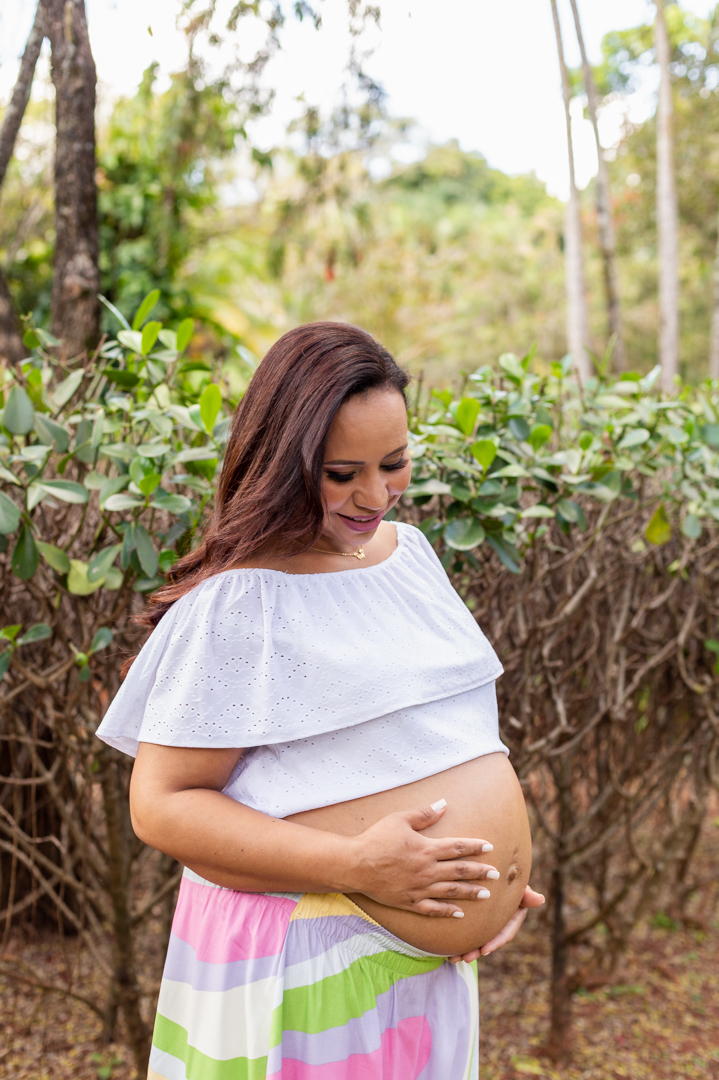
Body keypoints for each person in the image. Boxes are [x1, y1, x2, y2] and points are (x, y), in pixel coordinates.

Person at [97, 322, 544, 1080]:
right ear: (284, 462)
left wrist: (492, 886)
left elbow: (436, 735)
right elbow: (162, 806)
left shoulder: (411, 555)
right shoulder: (241, 601)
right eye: (342, 474)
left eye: (395, 463)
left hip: (428, 971)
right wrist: (359, 864)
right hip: (310, 962)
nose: (375, 495)